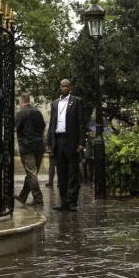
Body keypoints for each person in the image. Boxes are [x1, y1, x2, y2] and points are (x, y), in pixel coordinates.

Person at [46, 79, 86, 211]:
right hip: (58, 141)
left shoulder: (76, 101)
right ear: (60, 87)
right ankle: (63, 202)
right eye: (62, 86)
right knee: (61, 173)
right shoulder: (55, 103)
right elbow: (52, 124)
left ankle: (72, 202)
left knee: (73, 173)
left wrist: (81, 142)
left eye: (66, 86)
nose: (64, 88)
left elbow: (81, 123)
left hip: (71, 142)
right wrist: (49, 142)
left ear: (70, 87)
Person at [14, 93, 46, 206]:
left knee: (31, 173)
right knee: (32, 172)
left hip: (27, 147)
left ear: (21, 101)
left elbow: (16, 128)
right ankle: (23, 196)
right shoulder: (37, 112)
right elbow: (43, 126)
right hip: (39, 146)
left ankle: (38, 198)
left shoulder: (20, 113)